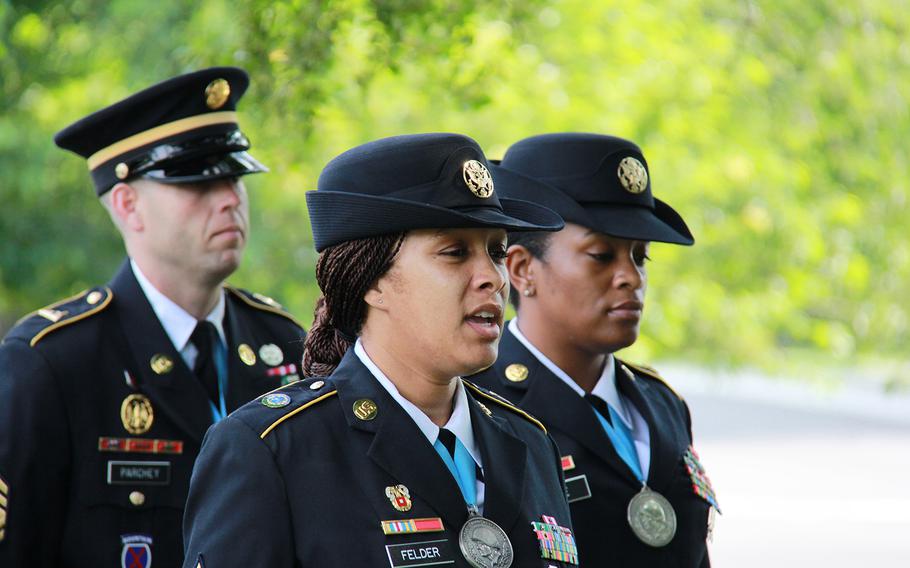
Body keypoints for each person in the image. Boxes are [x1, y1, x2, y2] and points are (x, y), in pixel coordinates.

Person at [182, 133, 579, 568]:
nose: (493, 278)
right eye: (454, 252)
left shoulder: (530, 442)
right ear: (372, 281)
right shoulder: (272, 450)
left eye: (497, 251)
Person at [0, 67, 307, 567]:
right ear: (128, 204)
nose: (230, 198)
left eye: (234, 177)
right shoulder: (52, 363)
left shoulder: (282, 342)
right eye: (199, 183)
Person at [470, 133, 719, 567]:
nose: (631, 278)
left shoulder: (659, 403)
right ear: (523, 269)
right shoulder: (477, 404)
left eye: (640, 257)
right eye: (602, 255)